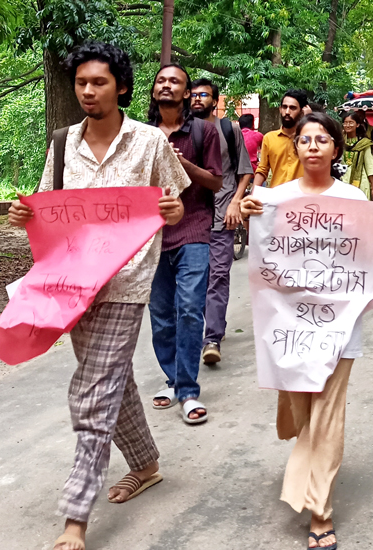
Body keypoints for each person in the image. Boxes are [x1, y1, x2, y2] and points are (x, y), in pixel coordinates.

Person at [7, 41, 189, 550]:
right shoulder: (62, 144)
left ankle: (74, 515)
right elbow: (47, 209)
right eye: (81, 83)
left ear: (122, 87)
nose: (88, 91)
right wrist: (25, 217)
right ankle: (147, 463)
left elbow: (171, 207)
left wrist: (173, 211)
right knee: (110, 379)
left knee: (92, 392)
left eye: (99, 83)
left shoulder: (150, 142)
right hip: (71, 286)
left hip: (128, 283)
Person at [240, 112, 373, 550]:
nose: (313, 145)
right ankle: (304, 449)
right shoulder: (274, 199)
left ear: (336, 148)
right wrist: (246, 210)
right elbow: (259, 249)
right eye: (305, 139)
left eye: (322, 139)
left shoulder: (353, 199)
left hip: (338, 324)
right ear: (295, 147)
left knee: (326, 415)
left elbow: (367, 259)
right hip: (288, 326)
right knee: (302, 411)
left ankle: (320, 510)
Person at [146, 64, 222, 425]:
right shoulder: (140, 135)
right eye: (161, 80)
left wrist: (183, 165)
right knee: (161, 315)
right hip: (152, 235)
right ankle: (172, 378)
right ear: (153, 90)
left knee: (189, 308)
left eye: (174, 81)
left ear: (187, 93)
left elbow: (215, 182)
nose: (167, 85)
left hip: (193, 229)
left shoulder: (205, 131)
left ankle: (188, 392)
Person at [190, 79, 254, 366]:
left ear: (215, 101)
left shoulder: (230, 129)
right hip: (189, 219)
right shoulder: (180, 131)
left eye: (204, 94)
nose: (197, 99)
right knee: (197, 281)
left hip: (222, 213)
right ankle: (212, 324)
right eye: (193, 95)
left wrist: (235, 201)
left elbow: (244, 171)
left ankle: (212, 338)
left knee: (218, 275)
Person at [254, 89, 307, 188]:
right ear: (280, 109)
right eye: (284, 107)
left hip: (303, 198)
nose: (287, 112)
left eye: (293, 108)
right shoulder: (269, 138)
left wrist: (309, 117)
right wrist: (253, 194)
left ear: (301, 111)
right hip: (277, 198)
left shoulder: (309, 139)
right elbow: (262, 170)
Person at [340, 111, 373, 200]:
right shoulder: (340, 142)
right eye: (345, 123)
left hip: (361, 182)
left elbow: (369, 166)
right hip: (343, 181)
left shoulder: (364, 143)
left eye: (350, 122)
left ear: (357, 125)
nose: (347, 125)